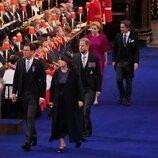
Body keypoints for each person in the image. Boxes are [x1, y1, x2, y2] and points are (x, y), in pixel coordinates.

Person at [11, 43, 46, 151]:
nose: (24, 52)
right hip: (22, 95)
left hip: (34, 96)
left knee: (30, 117)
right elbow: (16, 79)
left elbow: (43, 82)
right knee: (27, 117)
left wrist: (42, 96)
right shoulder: (20, 62)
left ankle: (28, 141)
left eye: (26, 50)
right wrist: (13, 92)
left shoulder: (39, 64)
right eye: (23, 50)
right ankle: (34, 137)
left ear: (32, 51)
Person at [49, 53, 83, 152]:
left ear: (66, 61)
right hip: (58, 101)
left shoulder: (74, 73)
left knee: (72, 121)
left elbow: (78, 87)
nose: (58, 61)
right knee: (58, 122)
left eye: (61, 59)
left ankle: (77, 138)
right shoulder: (56, 73)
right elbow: (52, 88)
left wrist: (80, 99)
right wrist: (51, 101)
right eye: (58, 59)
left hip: (70, 101)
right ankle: (62, 144)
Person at [73, 38, 102, 139]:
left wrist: (98, 89)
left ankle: (85, 131)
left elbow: (98, 75)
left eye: (82, 46)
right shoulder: (75, 57)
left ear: (87, 46)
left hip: (90, 88)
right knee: (80, 111)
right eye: (79, 46)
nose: (80, 47)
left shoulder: (94, 58)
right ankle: (86, 128)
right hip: (78, 89)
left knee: (86, 110)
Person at [112, 20, 139, 105]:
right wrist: (113, 60)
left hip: (129, 63)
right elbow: (114, 49)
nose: (121, 29)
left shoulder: (134, 37)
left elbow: (136, 51)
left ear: (128, 28)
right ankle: (122, 94)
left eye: (122, 27)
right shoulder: (118, 36)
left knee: (129, 82)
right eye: (120, 27)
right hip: (119, 62)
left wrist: (136, 62)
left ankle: (127, 98)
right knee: (118, 79)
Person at [86, 21, 110, 104]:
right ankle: (91, 95)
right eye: (92, 28)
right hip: (90, 59)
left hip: (99, 59)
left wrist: (106, 60)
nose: (93, 30)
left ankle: (96, 97)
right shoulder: (88, 37)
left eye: (95, 29)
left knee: (98, 77)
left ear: (98, 29)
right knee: (91, 76)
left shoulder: (102, 37)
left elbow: (105, 50)